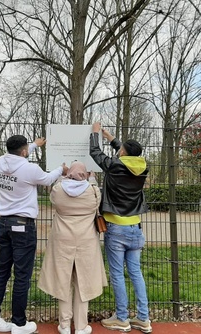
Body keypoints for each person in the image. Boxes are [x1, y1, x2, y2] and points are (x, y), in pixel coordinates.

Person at [0, 135, 68, 334]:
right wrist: (61, 170)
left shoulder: (0, 161)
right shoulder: (30, 169)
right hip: (23, 225)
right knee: (22, 275)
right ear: (23, 152)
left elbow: (20, 153)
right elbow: (47, 178)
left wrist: (35, 145)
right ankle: (19, 323)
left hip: (4, 223)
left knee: (2, 270)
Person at [89, 122, 152, 333]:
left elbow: (95, 153)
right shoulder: (143, 168)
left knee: (117, 274)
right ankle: (143, 318)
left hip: (116, 227)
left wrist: (96, 134)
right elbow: (127, 156)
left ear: (123, 152)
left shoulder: (115, 166)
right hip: (135, 227)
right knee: (136, 272)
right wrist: (112, 139)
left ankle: (122, 318)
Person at [38, 161, 107, 334]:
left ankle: (65, 325)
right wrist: (92, 178)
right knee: (83, 281)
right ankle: (82, 326)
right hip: (86, 241)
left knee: (64, 281)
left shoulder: (59, 190)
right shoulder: (93, 191)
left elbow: (53, 196)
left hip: (62, 240)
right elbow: (97, 198)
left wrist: (63, 173)